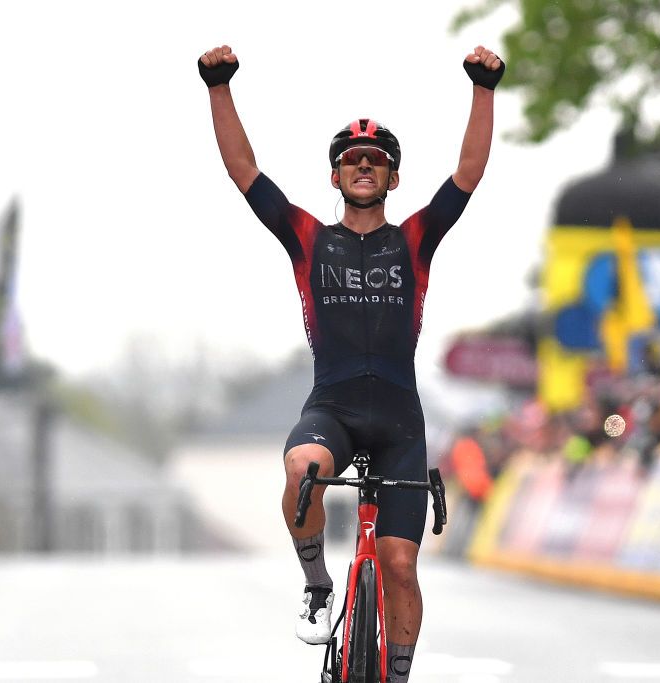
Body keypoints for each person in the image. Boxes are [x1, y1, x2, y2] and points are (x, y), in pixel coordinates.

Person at [199, 43, 503, 682]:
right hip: (332, 408)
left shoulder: (415, 238)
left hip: (399, 419)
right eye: (351, 160)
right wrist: (218, 86)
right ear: (335, 177)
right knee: (303, 467)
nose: (364, 166)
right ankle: (317, 582)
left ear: (393, 179)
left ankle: (395, 674)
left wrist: (484, 89)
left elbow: (469, 172)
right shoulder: (309, 237)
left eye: (377, 161)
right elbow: (244, 170)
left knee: (399, 563)